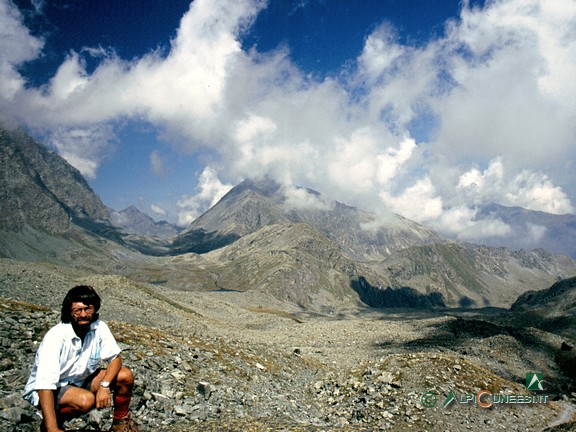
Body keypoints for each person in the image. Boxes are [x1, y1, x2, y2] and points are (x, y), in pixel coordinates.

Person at [23, 285, 139, 432]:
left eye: (88, 309)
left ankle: (120, 424)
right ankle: (52, 423)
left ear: (95, 309)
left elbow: (115, 358)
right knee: (86, 400)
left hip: (81, 379)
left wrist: (104, 385)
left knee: (125, 376)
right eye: (78, 310)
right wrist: (51, 428)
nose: (83, 315)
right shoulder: (56, 337)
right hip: (53, 388)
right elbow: (45, 383)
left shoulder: (99, 328)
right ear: (69, 311)